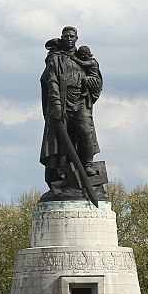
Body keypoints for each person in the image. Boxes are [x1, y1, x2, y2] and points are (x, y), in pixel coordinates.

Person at [40, 26, 102, 189]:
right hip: (62, 100)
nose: (69, 38)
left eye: (71, 36)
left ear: (76, 38)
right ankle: (63, 173)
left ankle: (87, 164)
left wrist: (91, 81)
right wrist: (56, 104)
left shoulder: (82, 56)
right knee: (61, 139)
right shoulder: (55, 58)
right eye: (66, 36)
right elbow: (51, 80)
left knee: (85, 131)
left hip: (81, 100)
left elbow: (96, 76)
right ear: (62, 37)